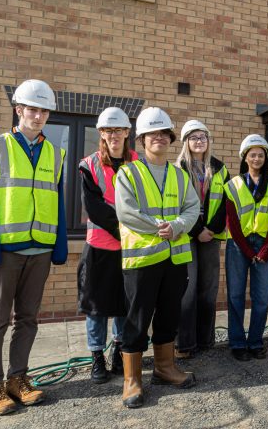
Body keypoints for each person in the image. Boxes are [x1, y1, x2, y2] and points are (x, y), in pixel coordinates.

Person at [0, 79, 67, 415]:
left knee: (27, 319)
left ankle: (18, 378)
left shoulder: (56, 154)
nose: (39, 115)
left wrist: (58, 247)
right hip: (6, 250)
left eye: (44, 110)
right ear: (19, 110)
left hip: (39, 251)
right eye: (33, 109)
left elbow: (58, 204)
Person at [114, 107, 200, 408]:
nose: (159, 138)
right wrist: (160, 228)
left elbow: (192, 208)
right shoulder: (128, 173)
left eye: (164, 133)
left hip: (175, 259)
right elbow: (125, 212)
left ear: (171, 138)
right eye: (153, 134)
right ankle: (132, 380)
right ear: (142, 139)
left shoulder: (179, 175)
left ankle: (165, 368)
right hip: (143, 260)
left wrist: (177, 227)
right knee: (137, 319)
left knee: (169, 314)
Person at [77, 107, 138, 383]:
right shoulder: (88, 164)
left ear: (127, 132)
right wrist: (122, 230)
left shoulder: (139, 163)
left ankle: (119, 352)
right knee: (97, 307)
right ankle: (96, 357)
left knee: (124, 305)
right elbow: (93, 206)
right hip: (100, 247)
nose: (113, 135)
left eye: (118, 130)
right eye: (108, 131)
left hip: (129, 249)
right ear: (101, 133)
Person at [175, 120, 229, 358]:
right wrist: (197, 229)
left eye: (203, 137)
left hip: (212, 234)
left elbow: (226, 202)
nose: (199, 141)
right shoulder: (177, 169)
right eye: (194, 137)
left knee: (208, 286)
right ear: (186, 141)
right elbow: (175, 203)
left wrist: (211, 229)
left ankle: (205, 340)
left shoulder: (220, 168)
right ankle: (184, 343)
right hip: (186, 233)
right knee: (187, 286)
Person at [223, 135, 268, 361]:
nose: (256, 158)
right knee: (235, 295)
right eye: (252, 154)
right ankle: (237, 343)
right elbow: (232, 223)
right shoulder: (232, 185)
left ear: (266, 158)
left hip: (264, 244)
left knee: (262, 297)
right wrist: (247, 250)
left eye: (260, 154)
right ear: (245, 157)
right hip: (238, 245)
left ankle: (255, 342)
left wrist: (265, 249)